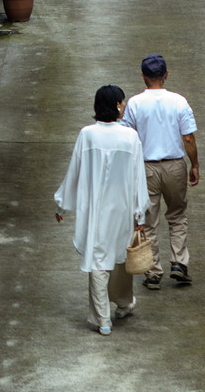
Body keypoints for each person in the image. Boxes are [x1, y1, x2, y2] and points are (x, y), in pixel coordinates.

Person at [54, 84, 150, 336]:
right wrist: (139, 213)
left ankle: (103, 319)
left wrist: (63, 204)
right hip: (123, 208)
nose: (125, 106)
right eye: (123, 102)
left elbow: (74, 171)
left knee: (98, 260)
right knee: (120, 259)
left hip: (94, 209)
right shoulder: (130, 137)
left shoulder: (87, 135)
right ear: (117, 105)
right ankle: (124, 302)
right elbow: (139, 177)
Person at [120, 54, 199, 289]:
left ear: (143, 76)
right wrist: (194, 164)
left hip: (146, 168)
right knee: (177, 215)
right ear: (166, 75)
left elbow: (127, 137)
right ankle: (179, 263)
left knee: (149, 221)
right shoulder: (179, 101)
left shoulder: (134, 103)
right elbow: (188, 138)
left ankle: (153, 271)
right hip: (175, 164)